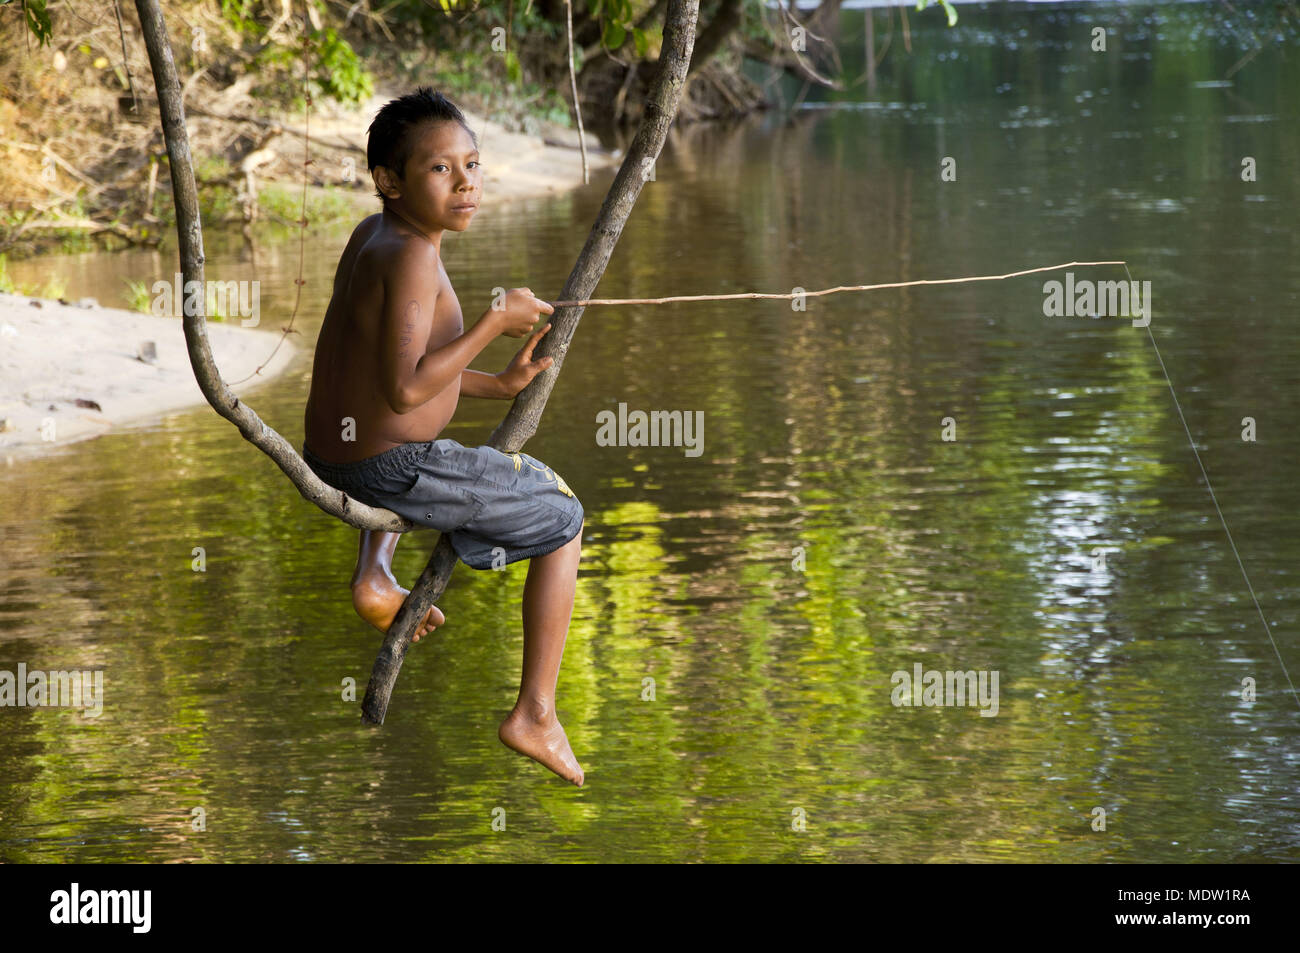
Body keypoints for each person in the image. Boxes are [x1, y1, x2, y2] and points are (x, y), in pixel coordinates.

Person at [302, 87, 585, 785]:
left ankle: (375, 573)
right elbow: (405, 390)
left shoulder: (379, 236)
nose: (466, 182)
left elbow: (399, 377)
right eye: (440, 169)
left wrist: (498, 382)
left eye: (474, 164)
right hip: (390, 465)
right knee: (565, 518)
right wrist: (495, 322)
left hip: (339, 453)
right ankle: (535, 713)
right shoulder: (414, 259)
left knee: (474, 467)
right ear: (390, 181)